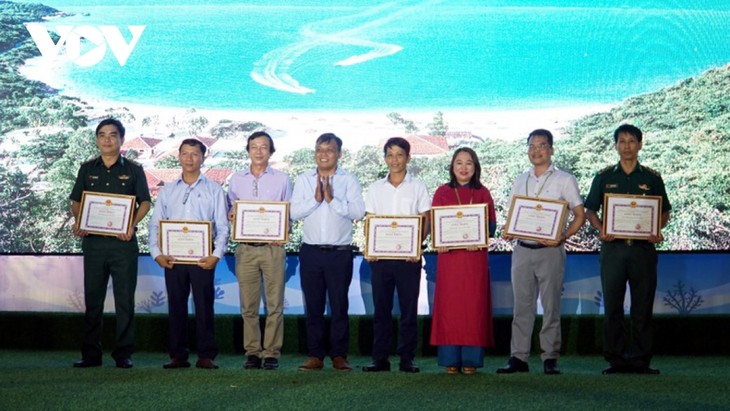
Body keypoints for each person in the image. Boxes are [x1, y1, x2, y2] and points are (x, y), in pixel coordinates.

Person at [495, 129, 585, 375]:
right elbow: (514, 216)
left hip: (551, 252)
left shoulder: (565, 179)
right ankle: (518, 358)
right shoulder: (519, 179)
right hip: (522, 250)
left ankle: (550, 357)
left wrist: (563, 236)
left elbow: (580, 215)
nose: (536, 150)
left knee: (551, 305)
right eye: (532, 146)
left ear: (551, 149)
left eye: (542, 145)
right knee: (521, 307)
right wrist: (509, 229)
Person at [585, 124, 671, 375]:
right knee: (612, 305)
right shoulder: (604, 177)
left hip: (643, 251)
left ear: (640, 145)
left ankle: (641, 359)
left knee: (642, 306)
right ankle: (616, 359)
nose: (627, 146)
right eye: (622, 141)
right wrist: (601, 228)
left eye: (632, 141)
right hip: (613, 250)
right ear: (615, 146)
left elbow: (664, 211)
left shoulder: (652, 178)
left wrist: (657, 229)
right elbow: (590, 210)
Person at [69, 118, 151, 369]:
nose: (107, 139)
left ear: (121, 139)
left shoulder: (135, 170)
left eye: (112, 135)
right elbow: (76, 201)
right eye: (102, 135)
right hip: (93, 245)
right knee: (93, 300)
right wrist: (79, 220)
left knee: (124, 300)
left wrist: (131, 224)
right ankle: (91, 354)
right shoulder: (86, 169)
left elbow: (145, 203)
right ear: (97, 139)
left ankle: (123, 354)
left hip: (123, 245)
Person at [148, 139, 229, 370]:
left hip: (203, 260)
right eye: (185, 153)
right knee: (176, 306)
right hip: (173, 259)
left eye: (195, 154)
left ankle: (206, 355)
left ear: (203, 158)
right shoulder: (168, 190)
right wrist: (156, 253)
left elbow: (222, 227)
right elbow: (155, 225)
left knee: (205, 306)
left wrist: (216, 255)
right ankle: (178, 355)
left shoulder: (214, 189)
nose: (189, 158)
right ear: (179, 156)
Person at [290, 133, 365, 372]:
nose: (323, 154)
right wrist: (316, 200)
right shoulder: (303, 179)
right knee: (313, 306)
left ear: (339, 154)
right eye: (319, 150)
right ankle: (315, 355)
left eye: (329, 150)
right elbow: (293, 213)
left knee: (339, 305)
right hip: (311, 252)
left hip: (339, 253)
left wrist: (332, 200)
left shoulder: (349, 180)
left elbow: (358, 212)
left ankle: (339, 355)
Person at [362, 137, 431, 374]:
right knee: (381, 310)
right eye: (390, 155)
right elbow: (369, 221)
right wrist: (370, 248)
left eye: (399, 154)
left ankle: (406, 358)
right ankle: (379, 358)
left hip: (409, 260)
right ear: (384, 159)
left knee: (408, 310)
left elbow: (425, 221)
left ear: (408, 158)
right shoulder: (374, 188)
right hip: (380, 260)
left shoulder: (418, 186)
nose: (394, 160)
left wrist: (416, 247)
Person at [227, 131, 292, 370]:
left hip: (273, 249)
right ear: (248, 150)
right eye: (254, 146)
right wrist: (232, 215)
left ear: (271, 151)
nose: (258, 151)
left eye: (264, 147)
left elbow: (289, 214)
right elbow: (229, 211)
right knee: (249, 305)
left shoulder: (282, 179)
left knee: (275, 305)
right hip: (245, 250)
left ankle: (272, 352)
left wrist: (283, 232)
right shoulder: (236, 179)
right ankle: (253, 352)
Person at [430, 147, 497, 375]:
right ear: (452, 166)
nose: (464, 167)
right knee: (450, 309)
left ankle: (471, 360)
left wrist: (478, 236)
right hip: (449, 260)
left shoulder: (483, 193)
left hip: (474, 259)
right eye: (459, 162)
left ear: (475, 167)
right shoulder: (442, 192)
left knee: (473, 308)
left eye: (469, 163)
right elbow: (436, 226)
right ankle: (450, 359)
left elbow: (491, 227)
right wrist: (441, 240)